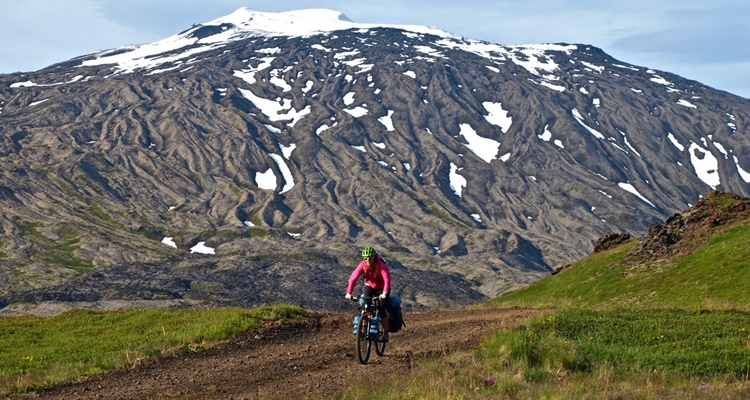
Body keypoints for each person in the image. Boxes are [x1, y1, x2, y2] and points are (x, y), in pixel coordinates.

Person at [345, 246, 391, 341]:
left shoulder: (381, 265)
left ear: (374, 258)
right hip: (370, 286)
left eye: (370, 258)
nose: (368, 260)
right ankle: (363, 327)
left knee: (382, 310)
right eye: (365, 259)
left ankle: (386, 332)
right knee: (365, 306)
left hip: (382, 288)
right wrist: (349, 292)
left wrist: (385, 293)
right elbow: (353, 278)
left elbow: (387, 280)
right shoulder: (363, 265)